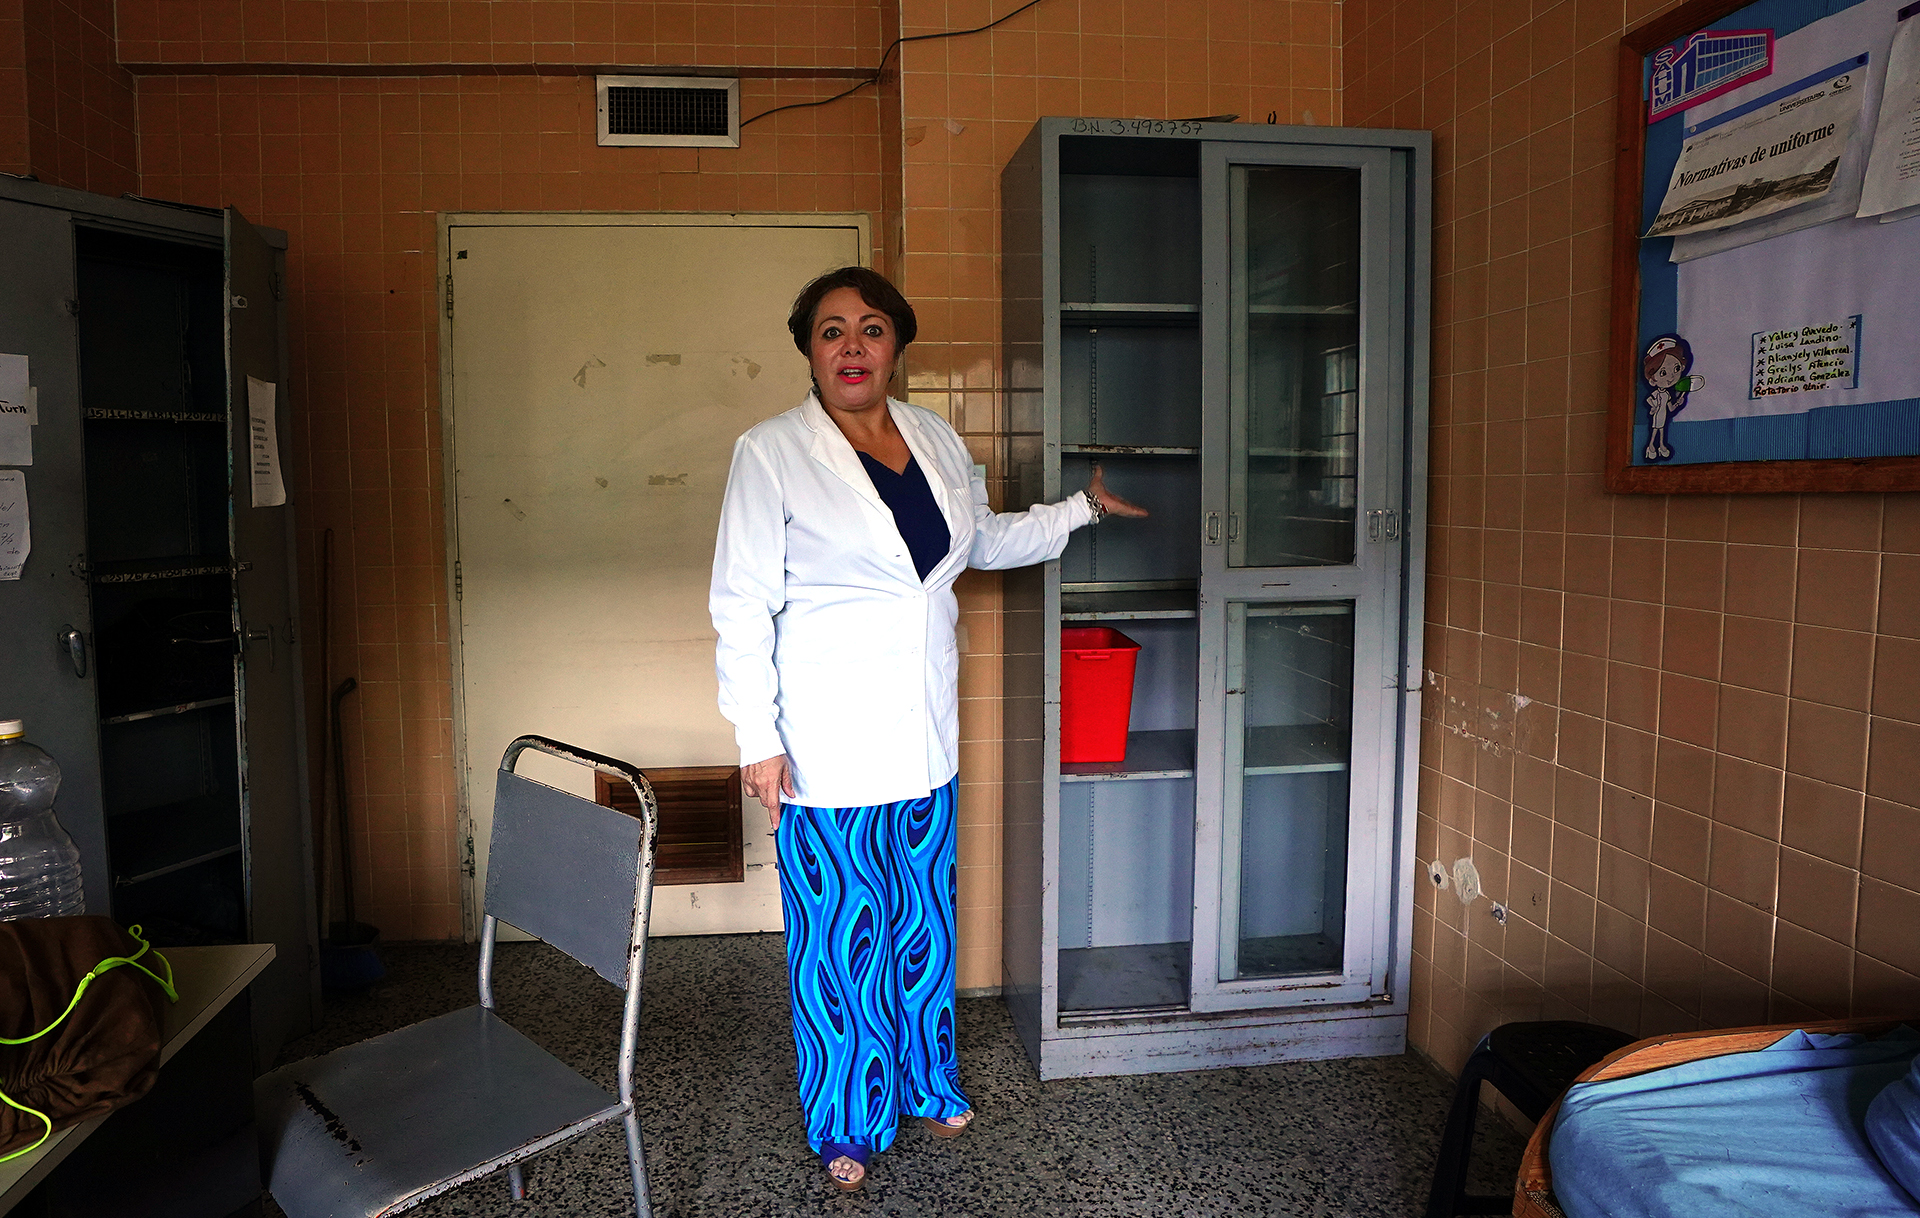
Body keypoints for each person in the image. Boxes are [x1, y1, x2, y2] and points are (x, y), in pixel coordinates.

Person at [709, 266, 1145, 1191]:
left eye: (871, 328)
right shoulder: (771, 452)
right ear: (809, 351)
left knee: (921, 928)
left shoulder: (936, 437)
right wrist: (757, 736)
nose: (853, 346)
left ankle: (924, 1078)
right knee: (837, 943)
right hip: (825, 743)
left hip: (924, 737)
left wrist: (1081, 510)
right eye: (832, 331)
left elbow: (978, 542)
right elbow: (741, 604)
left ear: (896, 344)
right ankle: (846, 1119)